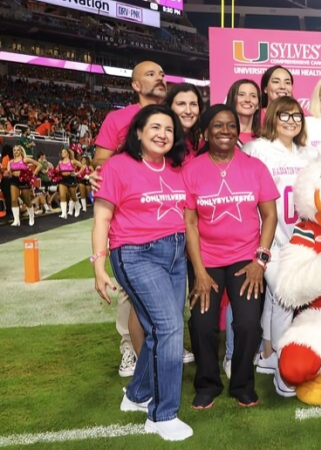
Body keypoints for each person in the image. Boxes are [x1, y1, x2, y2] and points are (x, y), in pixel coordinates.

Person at [92, 104, 193, 441]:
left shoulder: (179, 166)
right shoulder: (118, 166)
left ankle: (136, 395)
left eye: (169, 129)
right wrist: (98, 265)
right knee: (169, 327)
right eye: (155, 127)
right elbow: (102, 218)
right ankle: (162, 415)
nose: (163, 134)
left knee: (159, 330)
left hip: (176, 254)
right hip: (136, 254)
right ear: (138, 132)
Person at [182, 104, 279, 409]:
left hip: (245, 259)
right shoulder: (192, 170)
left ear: (238, 131)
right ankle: (208, 382)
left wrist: (259, 262)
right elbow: (190, 223)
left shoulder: (254, 167)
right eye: (217, 126)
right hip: (206, 259)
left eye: (231, 126)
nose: (225, 131)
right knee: (201, 324)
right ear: (206, 132)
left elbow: (270, 216)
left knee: (249, 324)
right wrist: (198, 270)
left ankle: (242, 383)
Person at [91, 60, 168, 378]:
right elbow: (100, 161)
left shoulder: (172, 117)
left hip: (167, 213)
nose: (160, 78)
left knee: (169, 284)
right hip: (130, 217)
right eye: (151, 74)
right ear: (136, 85)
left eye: (162, 74)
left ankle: (166, 342)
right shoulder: (118, 118)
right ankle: (128, 347)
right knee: (129, 290)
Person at [242, 96, 317, 396]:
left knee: (277, 299)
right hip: (268, 238)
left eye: (296, 115)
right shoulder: (257, 148)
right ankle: (285, 370)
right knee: (285, 296)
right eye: (284, 115)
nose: (291, 120)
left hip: (299, 238)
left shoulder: (307, 153)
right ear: (272, 116)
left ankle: (268, 354)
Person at [165, 83, 205, 162]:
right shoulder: (162, 139)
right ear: (169, 107)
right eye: (181, 104)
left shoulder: (199, 141)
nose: (188, 111)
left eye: (193, 104)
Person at [6, 145, 41, 226]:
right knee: (14, 200)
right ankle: (16, 220)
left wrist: (33, 174)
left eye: (18, 150)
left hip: (24, 181)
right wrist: (8, 173)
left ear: (21, 151)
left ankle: (31, 217)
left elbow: (39, 165)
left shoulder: (25, 159)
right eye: (14, 150)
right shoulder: (10, 162)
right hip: (14, 181)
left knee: (27, 200)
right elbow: (9, 173)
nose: (16, 152)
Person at [224, 79, 261, 148]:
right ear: (233, 100)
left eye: (253, 96)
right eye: (241, 95)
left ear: (258, 105)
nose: (247, 100)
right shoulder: (221, 135)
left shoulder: (264, 139)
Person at [56, 148, 82, 219]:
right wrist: (56, 170)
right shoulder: (60, 162)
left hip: (71, 179)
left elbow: (83, 167)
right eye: (62, 152)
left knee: (73, 196)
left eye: (64, 152)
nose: (62, 153)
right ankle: (64, 214)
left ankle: (77, 206)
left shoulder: (73, 161)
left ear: (68, 153)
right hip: (62, 180)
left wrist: (77, 173)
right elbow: (56, 170)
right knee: (62, 196)